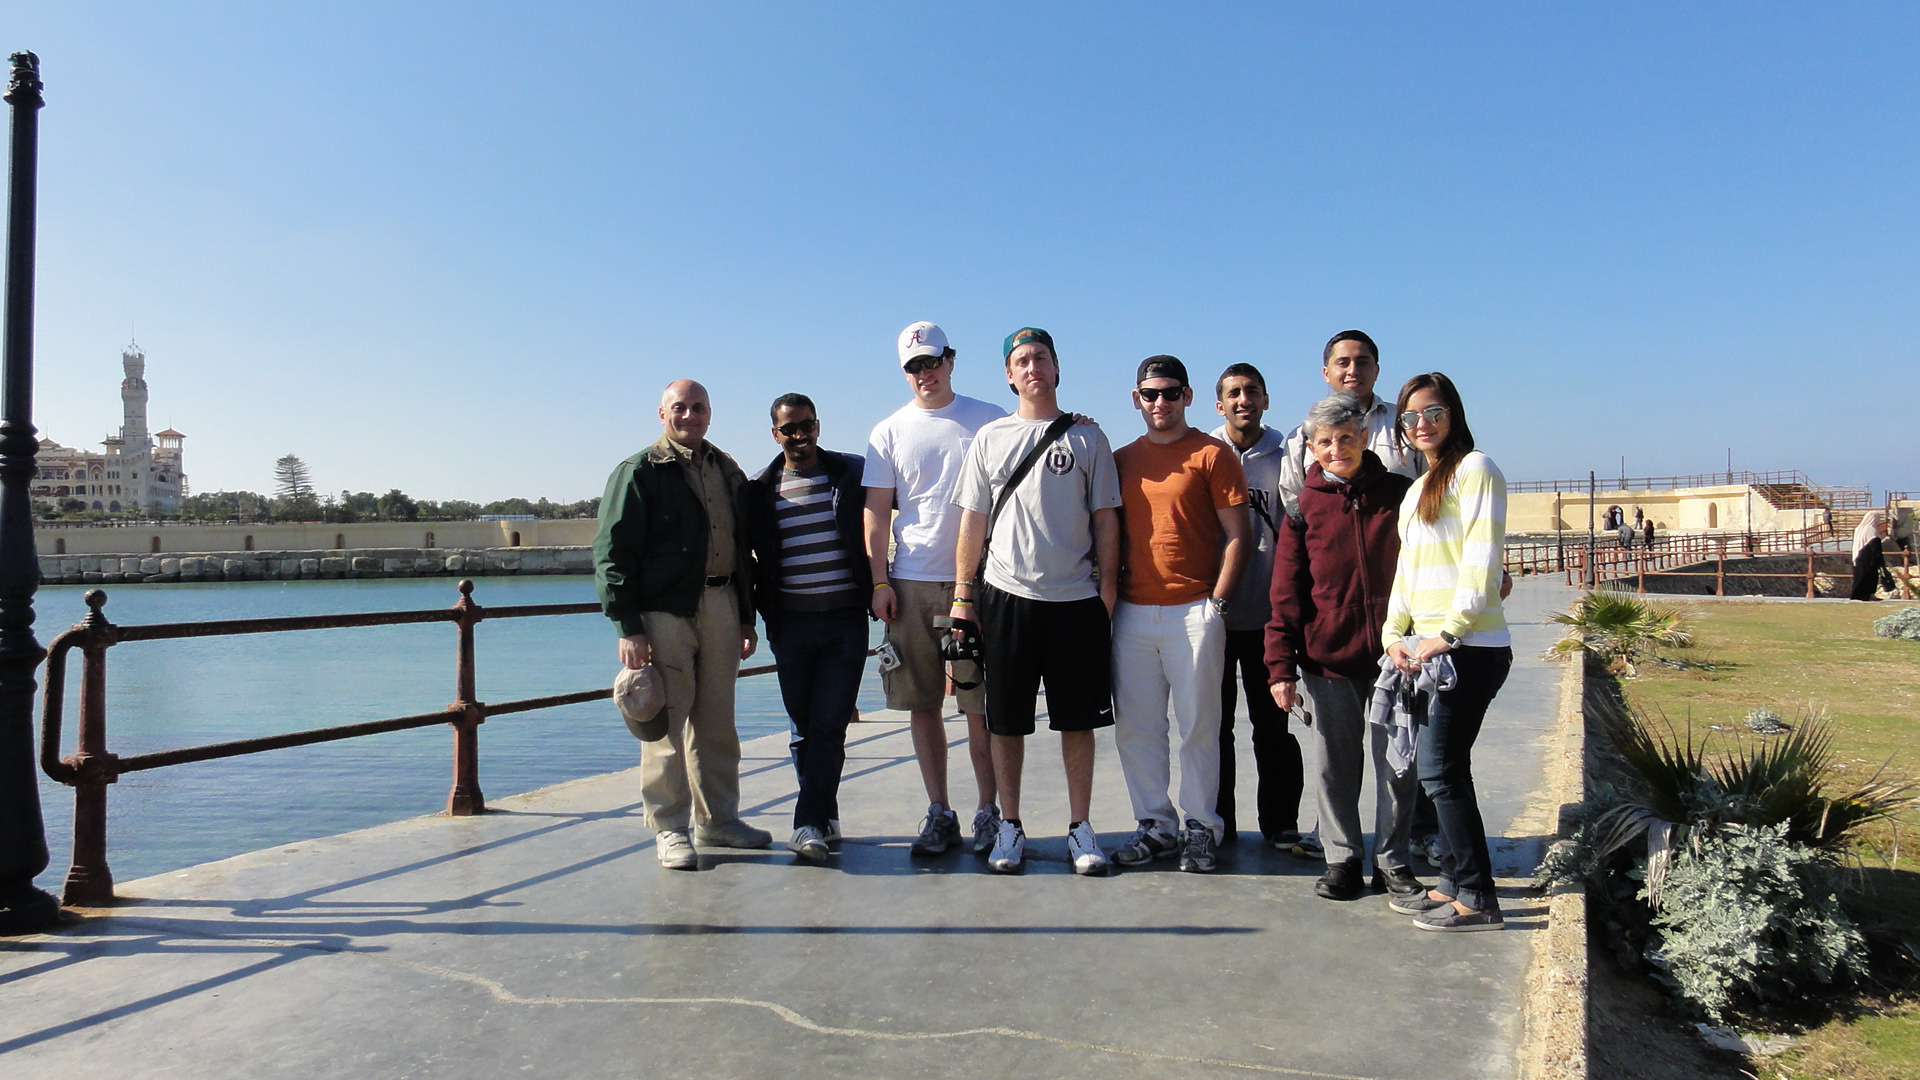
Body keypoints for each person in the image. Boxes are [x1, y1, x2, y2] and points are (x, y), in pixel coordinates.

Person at [951, 327, 1122, 875]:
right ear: (1009, 374)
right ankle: (1010, 825)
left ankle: (1080, 827)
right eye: (1021, 360)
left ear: (1056, 366)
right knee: (1005, 721)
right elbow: (973, 521)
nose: (1032, 368)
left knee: (1077, 720)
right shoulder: (990, 438)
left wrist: (1109, 589)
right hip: (1006, 597)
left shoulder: (1088, 438)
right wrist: (962, 596)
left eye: (1041, 358)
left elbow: (1105, 518)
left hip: (1075, 599)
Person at [594, 379, 771, 871]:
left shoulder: (726, 469)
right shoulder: (639, 472)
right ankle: (670, 828)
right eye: (680, 408)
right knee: (666, 726)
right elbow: (612, 554)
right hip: (665, 612)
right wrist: (628, 626)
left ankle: (719, 820)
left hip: (722, 602)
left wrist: (745, 615)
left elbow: (742, 547)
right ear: (662, 413)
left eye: (698, 408)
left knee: (718, 724)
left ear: (710, 413)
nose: (689, 416)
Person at [1266, 392, 1426, 905]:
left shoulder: (1401, 494)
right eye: (1326, 442)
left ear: (1363, 438)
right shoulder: (1302, 509)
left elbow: (1437, 557)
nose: (1337, 449)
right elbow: (1286, 592)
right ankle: (1342, 859)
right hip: (1327, 660)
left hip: (1396, 657)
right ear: (1312, 449)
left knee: (1397, 765)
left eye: (1346, 438)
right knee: (1336, 765)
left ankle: (1393, 861)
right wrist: (1280, 667)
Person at [864, 321, 1006, 857]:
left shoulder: (990, 418)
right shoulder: (888, 431)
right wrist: (880, 580)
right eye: (913, 366)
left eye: (932, 361)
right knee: (922, 703)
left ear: (951, 360)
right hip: (911, 581)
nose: (924, 373)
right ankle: (939, 810)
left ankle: (989, 811)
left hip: (980, 582)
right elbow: (876, 512)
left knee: (979, 705)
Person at [1382, 372, 1513, 932]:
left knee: (1440, 770)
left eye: (1433, 412)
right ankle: (1455, 883)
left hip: (1470, 649)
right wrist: (1393, 635)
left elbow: (1483, 561)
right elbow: (1406, 575)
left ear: (1453, 414)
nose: (1422, 424)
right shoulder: (1417, 491)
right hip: (1429, 650)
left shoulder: (1477, 469)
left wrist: (1450, 634)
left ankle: (1479, 897)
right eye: (1410, 417)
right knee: (1443, 768)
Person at [1109, 356, 1249, 874]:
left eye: (1170, 392)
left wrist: (1217, 604)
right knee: (1137, 729)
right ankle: (1155, 825)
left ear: (1187, 396)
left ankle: (1201, 826)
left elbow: (1238, 534)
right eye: (1150, 394)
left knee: (1198, 727)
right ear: (1137, 399)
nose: (1160, 402)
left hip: (1195, 611)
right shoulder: (1120, 459)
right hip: (1132, 613)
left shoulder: (1213, 454)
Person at [746, 393, 871, 861]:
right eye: (789, 429)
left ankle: (807, 824)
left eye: (807, 425)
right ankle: (824, 813)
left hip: (845, 622)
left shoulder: (852, 473)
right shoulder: (760, 489)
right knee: (803, 728)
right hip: (791, 623)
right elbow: (745, 556)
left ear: (818, 426)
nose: (799, 435)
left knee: (830, 724)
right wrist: (750, 617)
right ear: (775, 434)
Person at [1209, 363, 1306, 850]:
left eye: (1252, 391)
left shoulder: (1287, 455)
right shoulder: (1202, 452)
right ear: (1219, 404)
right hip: (1214, 618)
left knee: (1273, 728)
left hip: (1270, 619)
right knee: (1215, 729)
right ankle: (1217, 823)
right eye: (1233, 393)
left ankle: (1280, 824)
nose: (1243, 400)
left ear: (1266, 399)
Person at [1275, 330, 1421, 513]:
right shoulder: (1302, 437)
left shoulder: (1406, 423)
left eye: (1362, 362)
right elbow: (1294, 508)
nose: (1353, 370)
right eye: (1343, 363)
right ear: (1326, 373)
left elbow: (1431, 484)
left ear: (1376, 370)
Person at [1850, 511, 1890, 601]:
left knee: (1859, 577)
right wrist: (1879, 559)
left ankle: (1858, 595)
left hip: (1858, 556)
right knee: (1870, 576)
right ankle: (1867, 595)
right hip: (1868, 557)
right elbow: (1875, 544)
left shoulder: (1859, 528)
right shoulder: (1871, 529)